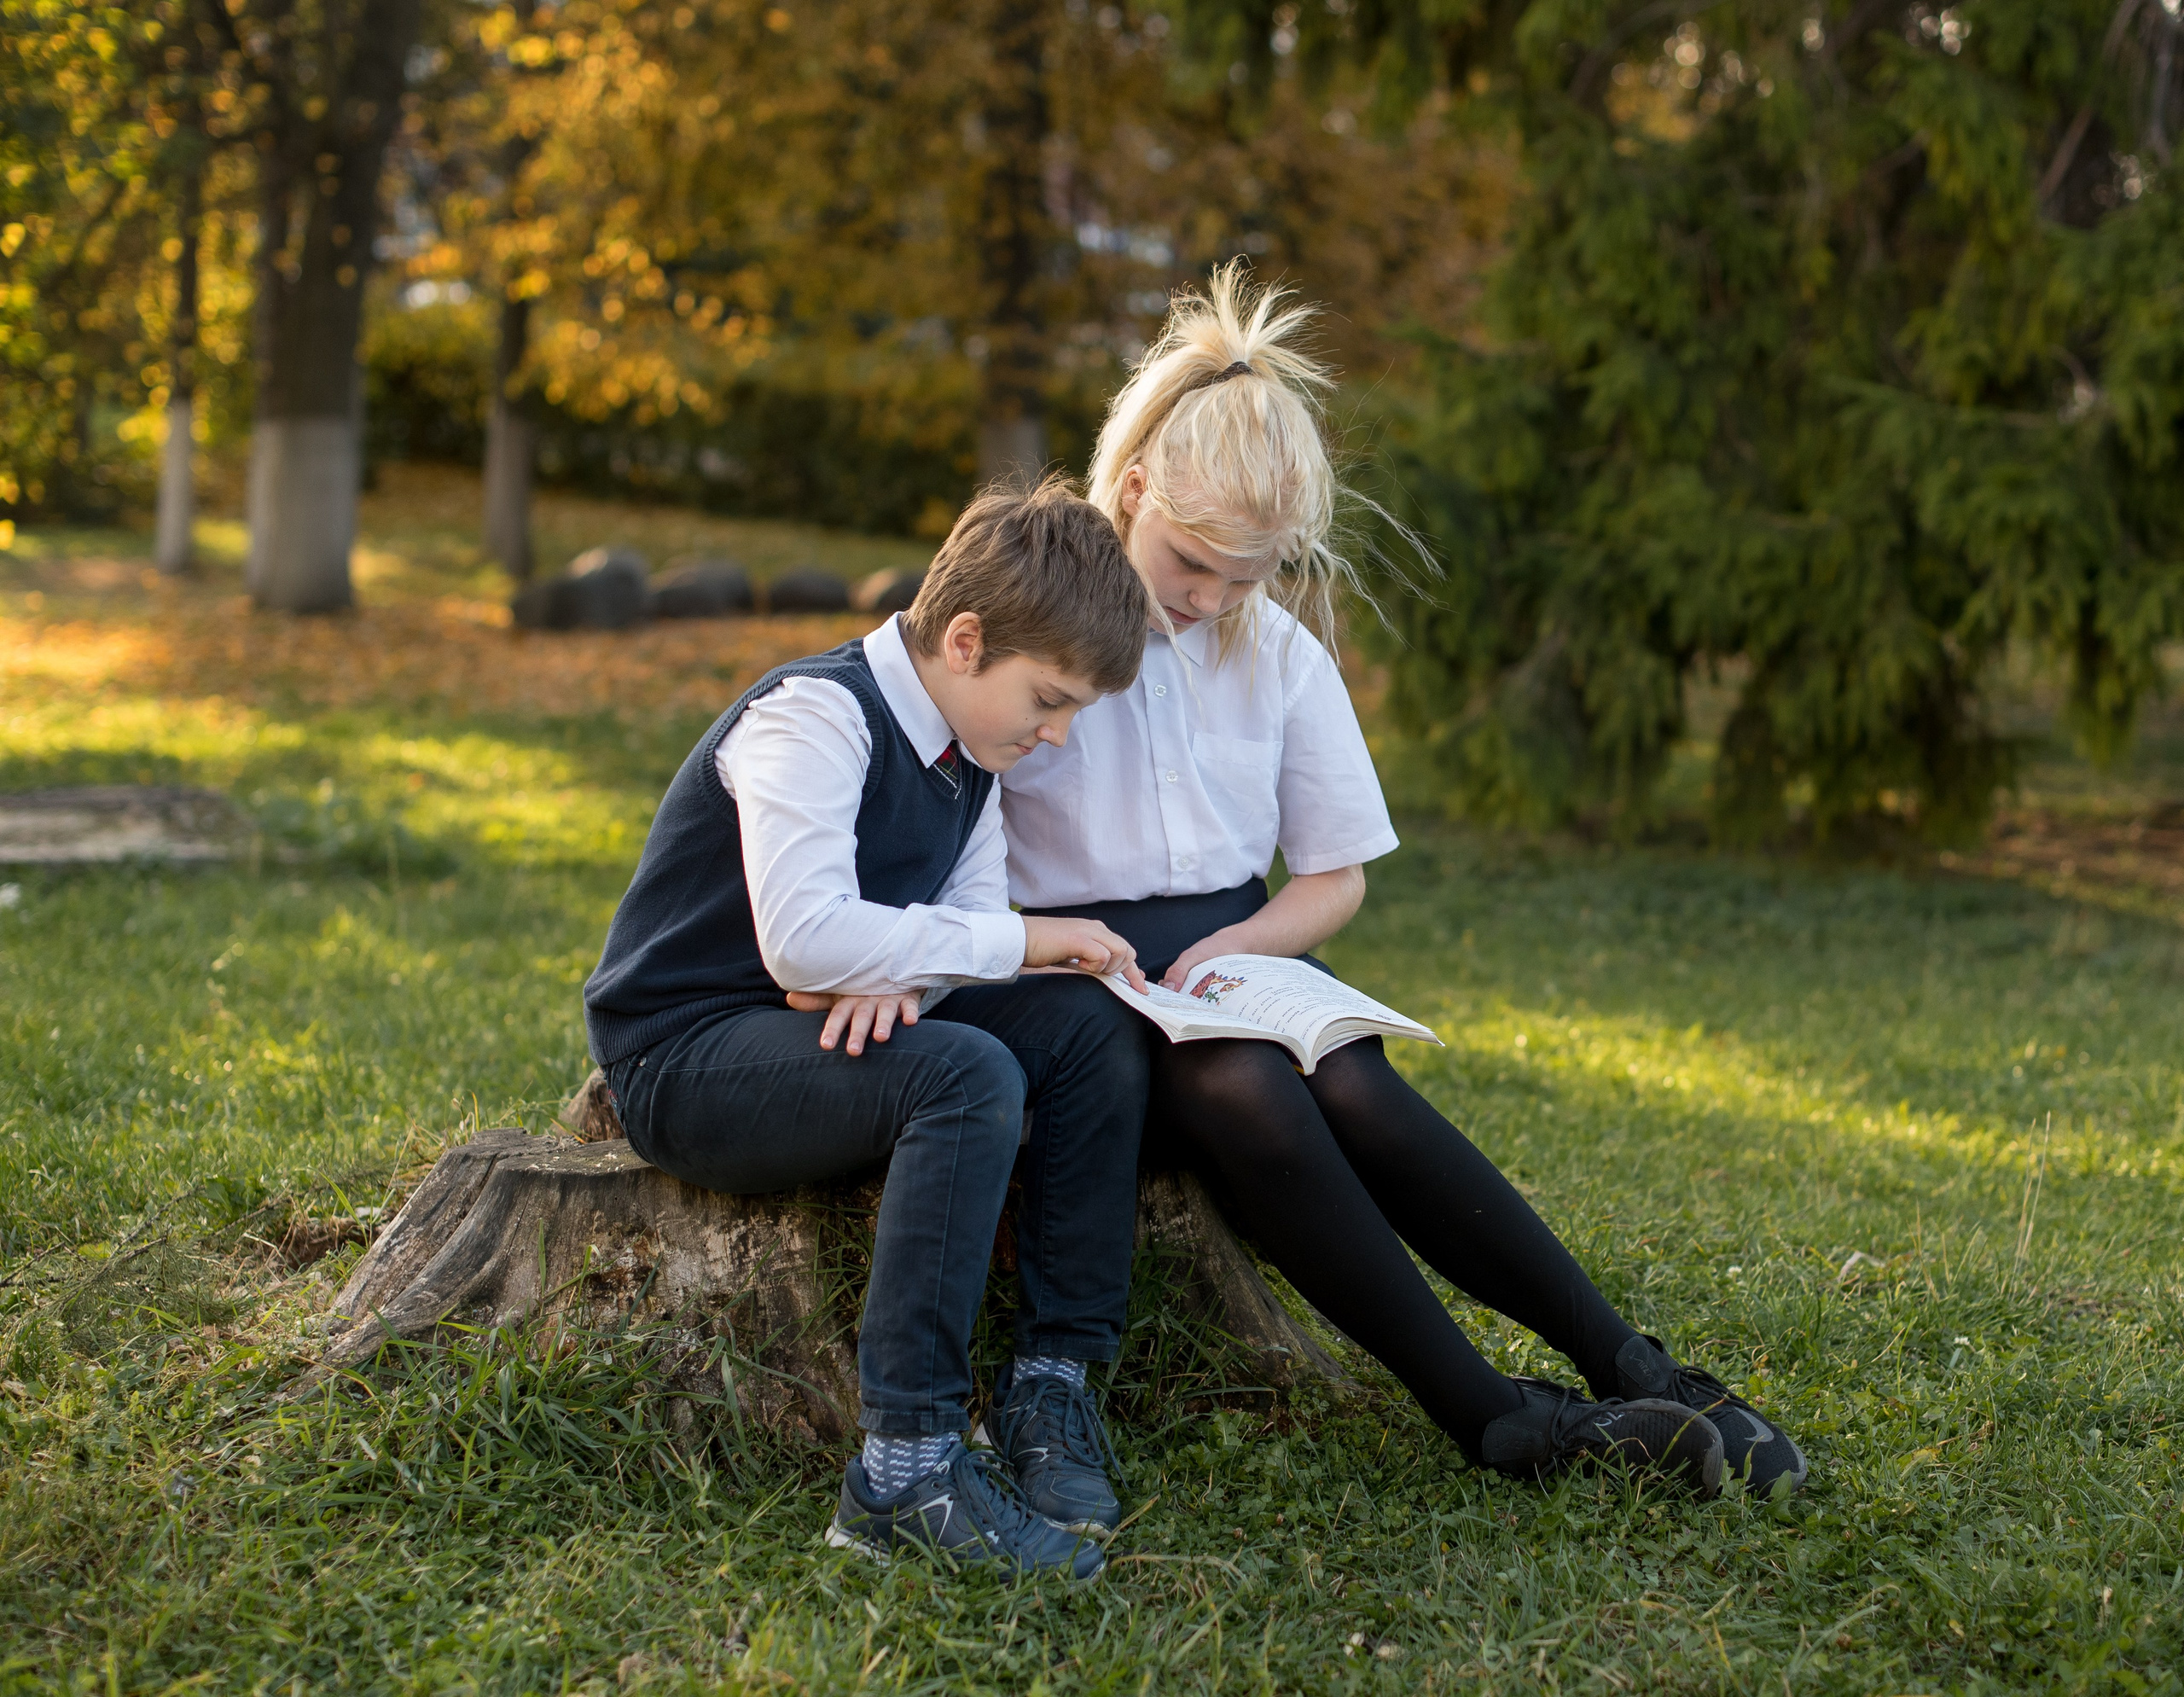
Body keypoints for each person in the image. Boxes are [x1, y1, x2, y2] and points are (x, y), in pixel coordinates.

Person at [997, 265, 1808, 1498]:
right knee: (1247, 1090)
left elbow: (1334, 879)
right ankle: (1491, 1417)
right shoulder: (1037, 628)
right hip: (1074, 979)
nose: (1209, 598)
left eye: (1245, 575)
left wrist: (1242, 945)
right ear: (1137, 483)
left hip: (1231, 959)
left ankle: (1629, 1361)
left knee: (1356, 1087)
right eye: (1191, 562)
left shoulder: (1275, 654)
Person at [584, 480, 1155, 1578]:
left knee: (1086, 1024)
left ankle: (1052, 1381)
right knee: (967, 1076)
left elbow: (952, 937)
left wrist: (895, 968)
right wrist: (1005, 942)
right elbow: (808, 941)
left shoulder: (972, 760)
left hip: (811, 1033)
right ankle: (904, 1470)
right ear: (965, 640)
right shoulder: (815, 715)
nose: (1056, 733)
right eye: (1049, 699)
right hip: (688, 1055)